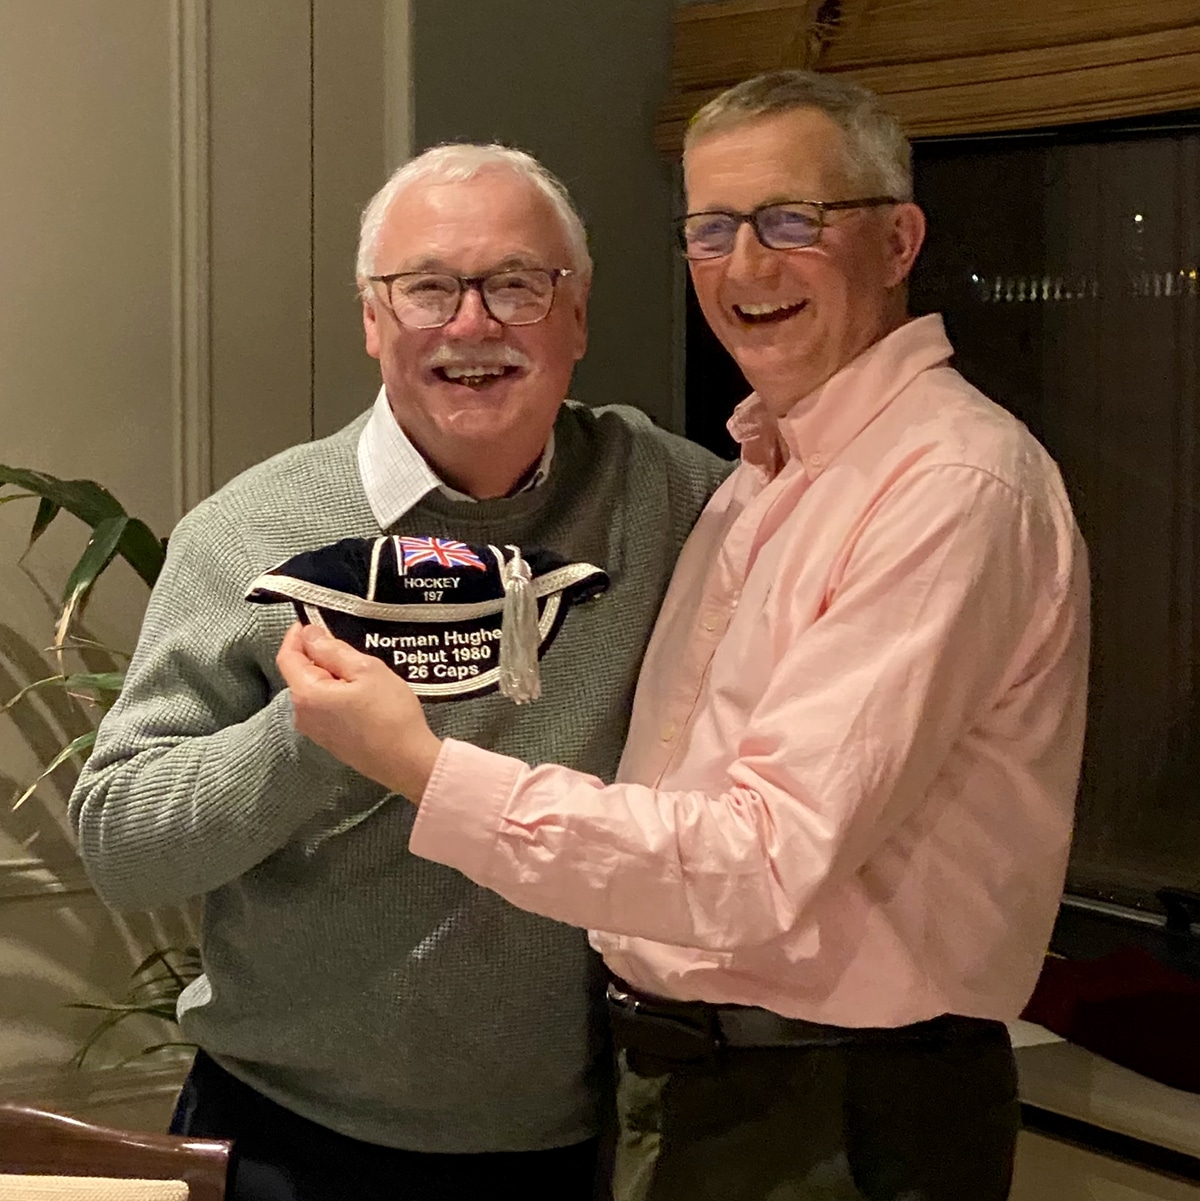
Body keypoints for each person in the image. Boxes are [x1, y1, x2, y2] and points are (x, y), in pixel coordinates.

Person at [276, 71, 1091, 1201]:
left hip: (836, 1113)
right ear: (371, 316)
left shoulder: (947, 487)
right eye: (710, 227)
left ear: (899, 239)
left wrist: (416, 764)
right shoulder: (753, 477)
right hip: (686, 1087)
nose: (746, 267)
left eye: (793, 221)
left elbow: (761, 860)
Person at [68, 143, 729, 1201]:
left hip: (571, 1145)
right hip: (285, 1137)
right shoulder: (249, 534)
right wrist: (307, 740)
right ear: (373, 319)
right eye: (427, 289)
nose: (472, 326)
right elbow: (120, 846)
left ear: (577, 318)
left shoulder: (677, 503)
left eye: (518, 284)